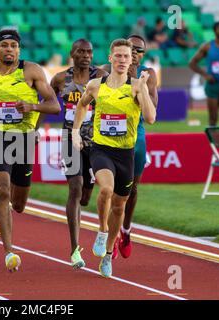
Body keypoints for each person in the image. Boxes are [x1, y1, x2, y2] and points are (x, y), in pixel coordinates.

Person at [0, 29, 60, 272]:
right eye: (4, 45)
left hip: (24, 139)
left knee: (18, 204)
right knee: (3, 188)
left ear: (19, 50)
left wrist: (32, 105)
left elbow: (54, 105)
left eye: (13, 46)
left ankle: (6, 207)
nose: (9, 49)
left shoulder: (32, 71)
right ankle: (9, 251)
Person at [72, 39, 156, 277]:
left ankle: (108, 254)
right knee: (106, 189)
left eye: (126, 57)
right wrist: (76, 131)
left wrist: (143, 90)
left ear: (132, 61)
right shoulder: (96, 85)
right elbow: (81, 106)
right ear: (110, 58)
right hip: (101, 149)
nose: (121, 60)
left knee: (119, 206)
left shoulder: (136, 87)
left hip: (125, 153)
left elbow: (150, 118)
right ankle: (101, 231)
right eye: (117, 56)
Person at [50, 39, 108, 269]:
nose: (86, 55)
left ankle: (88, 197)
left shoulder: (101, 76)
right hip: (69, 138)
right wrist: (34, 128)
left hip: (97, 140)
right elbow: (47, 100)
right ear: (72, 54)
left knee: (85, 196)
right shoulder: (60, 79)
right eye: (81, 52)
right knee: (75, 187)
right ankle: (74, 249)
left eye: (90, 52)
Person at [101, 34, 158, 259]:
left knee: (131, 189)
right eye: (130, 48)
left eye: (139, 50)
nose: (134, 53)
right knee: (108, 189)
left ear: (143, 54)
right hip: (107, 134)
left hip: (136, 132)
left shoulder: (148, 74)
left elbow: (152, 110)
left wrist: (138, 85)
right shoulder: (106, 69)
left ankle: (125, 230)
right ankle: (109, 235)